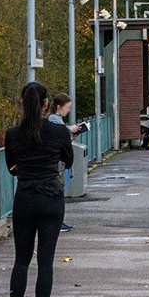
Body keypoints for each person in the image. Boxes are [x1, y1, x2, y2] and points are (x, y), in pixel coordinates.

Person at [0, 82, 75, 297]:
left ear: (23, 103)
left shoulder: (13, 134)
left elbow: (12, 167)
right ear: (46, 105)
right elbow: (68, 160)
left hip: (25, 198)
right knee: (45, 261)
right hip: (51, 199)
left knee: (21, 260)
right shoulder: (58, 131)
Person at [47, 92, 86, 230]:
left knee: (60, 193)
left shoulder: (56, 119)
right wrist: (70, 130)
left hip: (61, 160)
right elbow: (59, 133)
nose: (68, 110)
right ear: (59, 106)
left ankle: (59, 221)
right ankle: (57, 222)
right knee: (59, 193)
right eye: (67, 107)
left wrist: (70, 137)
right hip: (60, 162)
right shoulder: (54, 119)